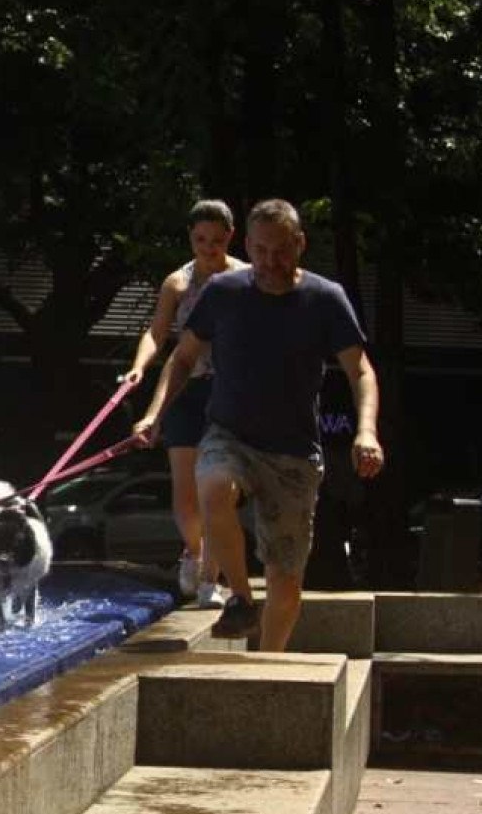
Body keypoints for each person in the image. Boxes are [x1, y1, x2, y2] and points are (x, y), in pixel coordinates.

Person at [131, 199, 384, 652]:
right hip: (229, 433)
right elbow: (184, 357)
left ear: (300, 244)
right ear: (247, 245)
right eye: (262, 251)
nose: (271, 263)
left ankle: (270, 660)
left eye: (282, 251)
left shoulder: (325, 298)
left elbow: (361, 370)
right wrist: (154, 414)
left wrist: (366, 431)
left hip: (293, 452)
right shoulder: (224, 292)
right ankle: (241, 599)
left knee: (286, 581)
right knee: (212, 486)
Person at [122, 199, 251, 605]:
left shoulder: (246, 279)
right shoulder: (177, 283)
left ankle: (210, 582)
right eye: (200, 240)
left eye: (216, 240)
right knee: (186, 493)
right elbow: (157, 334)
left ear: (230, 237)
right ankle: (192, 554)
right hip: (185, 387)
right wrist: (139, 367)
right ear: (190, 239)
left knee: (219, 489)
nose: (208, 248)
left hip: (229, 391)